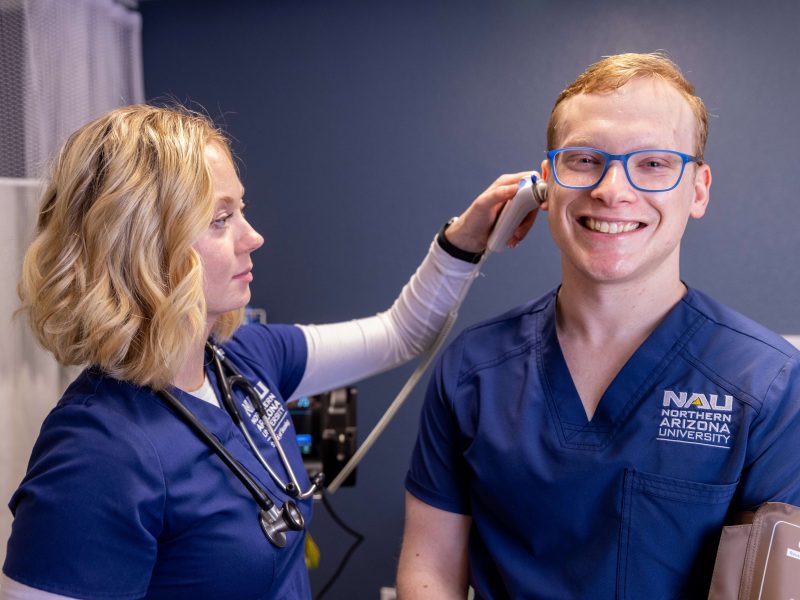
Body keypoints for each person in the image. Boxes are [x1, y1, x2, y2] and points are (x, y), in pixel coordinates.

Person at [0, 104, 533, 599]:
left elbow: (401, 333)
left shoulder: (243, 358)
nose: (252, 237)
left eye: (241, 210)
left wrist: (465, 240)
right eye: (220, 218)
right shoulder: (96, 455)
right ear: (142, 246)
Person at [397, 52, 800, 598]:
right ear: (546, 183)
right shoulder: (474, 369)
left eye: (653, 163)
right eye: (584, 160)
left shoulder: (769, 384)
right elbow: (430, 574)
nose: (612, 190)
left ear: (698, 189)